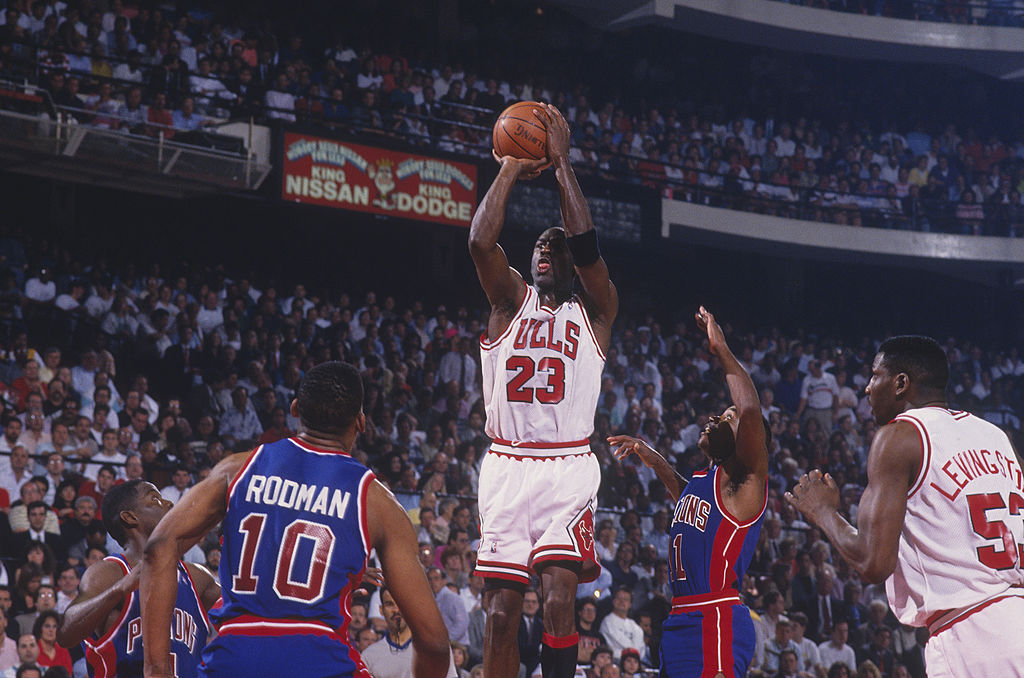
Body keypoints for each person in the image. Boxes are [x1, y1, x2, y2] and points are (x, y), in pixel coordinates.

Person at [141, 361, 451, 678]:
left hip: (234, 657)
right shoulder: (377, 501)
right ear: (360, 422)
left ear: (294, 408)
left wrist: (156, 669)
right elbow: (435, 643)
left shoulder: (238, 468)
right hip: (320, 659)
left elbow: (158, 547)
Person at [468, 103, 618, 678]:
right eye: (539, 249)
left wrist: (562, 166)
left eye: (557, 251)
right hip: (507, 466)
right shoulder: (508, 302)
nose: (547, 253)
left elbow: (587, 246)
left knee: (559, 601)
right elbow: (481, 244)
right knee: (502, 615)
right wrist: (509, 164)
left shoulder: (596, 313)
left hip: (567, 465)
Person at [787, 335, 1024, 677]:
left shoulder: (900, 435)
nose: (867, 388)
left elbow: (873, 562)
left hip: (970, 633)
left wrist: (823, 512)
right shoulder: (996, 436)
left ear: (900, 383)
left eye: (874, 375)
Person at [609, 307, 769, 678]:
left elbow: (750, 411)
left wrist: (722, 350)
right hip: (681, 616)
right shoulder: (707, 481)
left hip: (714, 616)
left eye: (727, 417)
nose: (717, 417)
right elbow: (686, 498)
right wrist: (655, 460)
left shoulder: (745, 480)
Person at [56, 479, 220, 677]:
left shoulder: (197, 577)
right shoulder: (109, 573)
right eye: (155, 499)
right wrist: (120, 589)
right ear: (130, 517)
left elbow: (248, 610)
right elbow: (66, 634)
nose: (169, 504)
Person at [361, 587, 456, 678]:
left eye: (401, 603)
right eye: (390, 604)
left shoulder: (435, 647)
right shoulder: (369, 656)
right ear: (381, 610)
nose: (396, 610)